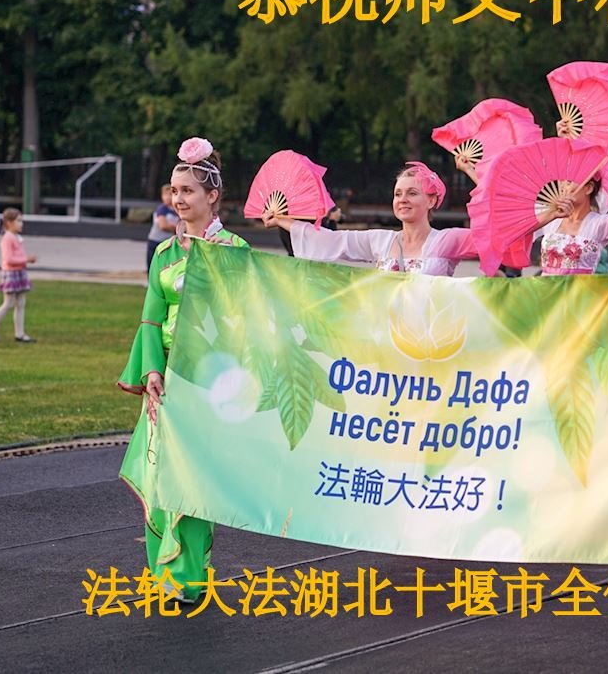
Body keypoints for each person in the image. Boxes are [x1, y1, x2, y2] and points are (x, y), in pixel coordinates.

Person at [117, 137, 249, 602]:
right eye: (174, 190)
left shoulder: (234, 251)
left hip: (208, 381)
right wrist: (152, 370)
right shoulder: (164, 254)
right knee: (158, 476)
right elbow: (151, 319)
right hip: (165, 382)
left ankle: (189, 578)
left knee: (194, 481)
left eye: (188, 190)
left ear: (212, 195)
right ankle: (162, 576)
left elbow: (243, 320)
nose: (179, 198)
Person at [269, 163, 495, 276]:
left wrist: (474, 173)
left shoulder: (448, 240)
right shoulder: (381, 241)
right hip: (387, 340)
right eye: (398, 194)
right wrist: (281, 220)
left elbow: (495, 237)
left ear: (431, 201)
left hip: (431, 340)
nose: (403, 200)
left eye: (412, 193)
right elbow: (332, 241)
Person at [0, 208, 37, 343]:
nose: (21, 224)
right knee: (8, 303)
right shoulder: (7, 238)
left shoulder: (16, 238)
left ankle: (20, 333)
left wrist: (25, 260)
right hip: (11, 273)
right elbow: (8, 259)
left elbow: (17, 256)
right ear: (9, 223)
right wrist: (26, 260)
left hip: (19, 272)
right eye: (18, 221)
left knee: (21, 303)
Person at [146, 185, 178, 270]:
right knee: (153, 267)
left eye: (170, 194)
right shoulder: (162, 209)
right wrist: (176, 228)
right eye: (165, 195)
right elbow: (163, 226)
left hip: (169, 243)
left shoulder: (178, 210)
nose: (168, 197)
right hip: (156, 241)